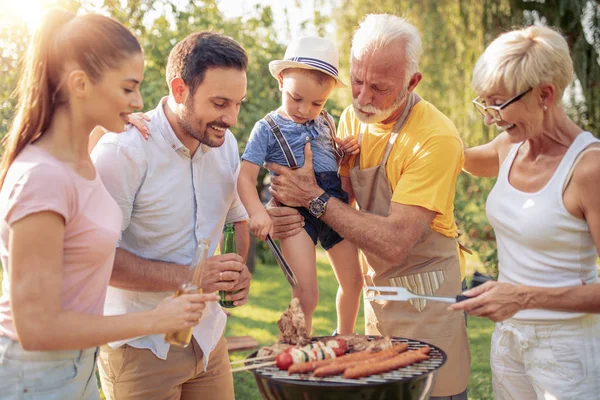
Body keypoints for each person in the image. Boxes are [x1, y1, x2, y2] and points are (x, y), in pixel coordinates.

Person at [0, 9, 216, 400]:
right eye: (127, 88)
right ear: (80, 84)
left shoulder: (82, 157)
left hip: (75, 369)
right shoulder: (42, 177)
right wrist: (153, 319)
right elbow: (36, 328)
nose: (139, 100)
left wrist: (105, 123)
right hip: (32, 377)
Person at [266, 14, 470, 399]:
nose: (361, 98)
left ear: (412, 83)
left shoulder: (435, 138)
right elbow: (341, 206)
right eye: (357, 81)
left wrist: (312, 197)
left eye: (377, 88)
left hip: (430, 311)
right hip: (377, 309)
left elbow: (394, 242)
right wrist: (289, 210)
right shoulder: (349, 120)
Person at [90, 31, 251, 400]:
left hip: (208, 341)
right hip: (139, 348)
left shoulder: (225, 145)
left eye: (238, 104)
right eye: (220, 102)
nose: (231, 118)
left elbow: (235, 218)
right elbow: (96, 259)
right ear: (180, 90)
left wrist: (235, 270)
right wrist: (194, 276)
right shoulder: (123, 151)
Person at [449, 26, 600, 399]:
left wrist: (523, 297)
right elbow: (456, 158)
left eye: (497, 104)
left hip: (566, 351)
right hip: (509, 340)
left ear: (545, 94)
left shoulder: (588, 169)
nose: (489, 118)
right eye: (483, 104)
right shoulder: (510, 146)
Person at [237, 36, 363, 335]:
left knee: (355, 282)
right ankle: (294, 348)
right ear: (281, 80)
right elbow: (244, 177)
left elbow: (329, 164)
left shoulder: (327, 122)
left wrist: (343, 151)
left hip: (334, 208)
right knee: (306, 294)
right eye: (296, 98)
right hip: (296, 218)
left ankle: (343, 338)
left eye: (317, 102)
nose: (305, 109)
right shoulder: (266, 128)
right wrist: (257, 212)